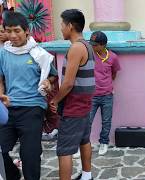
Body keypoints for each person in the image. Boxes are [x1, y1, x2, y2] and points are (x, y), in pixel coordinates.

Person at [0, 11, 57, 180]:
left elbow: (52, 75)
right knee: (1, 149)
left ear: (26, 31)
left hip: (32, 108)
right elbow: (1, 78)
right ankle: (13, 174)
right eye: (8, 31)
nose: (13, 35)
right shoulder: (3, 53)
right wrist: (1, 94)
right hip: (9, 108)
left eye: (17, 30)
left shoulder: (38, 53)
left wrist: (48, 82)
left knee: (29, 155)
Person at [49, 9, 95, 180]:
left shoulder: (76, 48)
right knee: (84, 140)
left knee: (64, 150)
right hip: (84, 104)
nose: (61, 28)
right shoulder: (87, 45)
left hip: (73, 106)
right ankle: (87, 175)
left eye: (62, 24)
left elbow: (68, 84)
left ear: (70, 25)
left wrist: (54, 100)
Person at [88, 31, 120, 156]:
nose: (93, 47)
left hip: (107, 95)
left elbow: (114, 73)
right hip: (92, 95)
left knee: (106, 121)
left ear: (103, 45)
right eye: (92, 44)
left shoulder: (113, 57)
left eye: (95, 45)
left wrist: (106, 84)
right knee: (87, 121)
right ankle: (84, 143)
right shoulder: (89, 55)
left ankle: (104, 142)